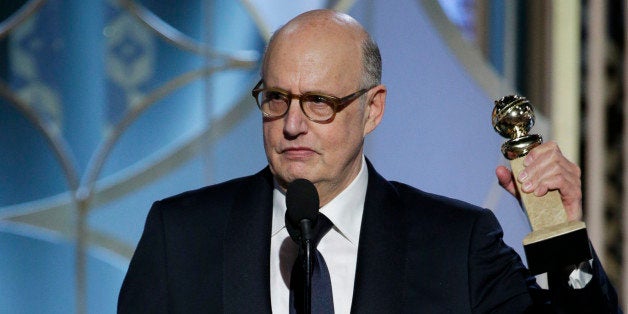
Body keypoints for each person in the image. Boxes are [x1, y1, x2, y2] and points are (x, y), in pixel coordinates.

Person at [118, 9, 620, 313]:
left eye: (319, 102)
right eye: (276, 99)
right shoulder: (181, 236)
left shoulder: (456, 245)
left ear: (372, 108)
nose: (292, 124)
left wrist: (562, 239)